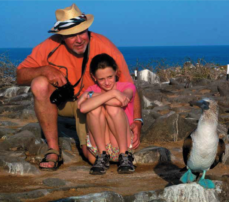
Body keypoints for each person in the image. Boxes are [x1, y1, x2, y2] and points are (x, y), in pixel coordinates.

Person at [16, 4, 142, 171]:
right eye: (71, 35)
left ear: (88, 29)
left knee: (91, 158)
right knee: (39, 83)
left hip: (93, 104)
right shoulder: (49, 46)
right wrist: (45, 70)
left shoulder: (105, 46)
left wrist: (137, 121)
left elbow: (129, 87)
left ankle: (108, 150)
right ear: (61, 36)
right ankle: (53, 150)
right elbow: (20, 76)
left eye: (82, 32)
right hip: (64, 104)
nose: (79, 39)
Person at [78, 53, 136, 174]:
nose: (107, 83)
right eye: (101, 79)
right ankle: (102, 156)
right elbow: (83, 108)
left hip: (121, 145)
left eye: (110, 77)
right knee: (94, 109)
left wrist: (91, 96)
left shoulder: (127, 86)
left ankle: (124, 156)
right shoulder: (91, 89)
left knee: (112, 108)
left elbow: (122, 101)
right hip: (98, 148)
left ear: (116, 72)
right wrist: (113, 94)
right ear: (94, 77)